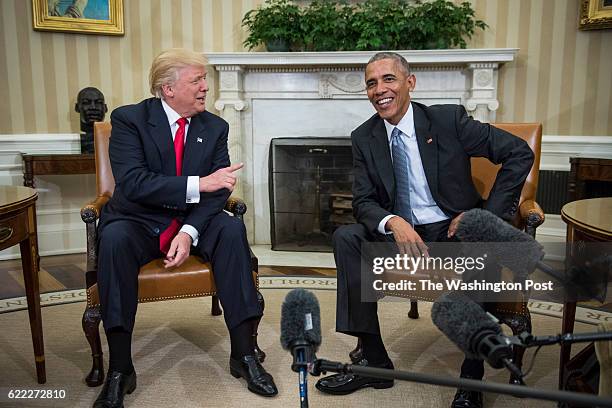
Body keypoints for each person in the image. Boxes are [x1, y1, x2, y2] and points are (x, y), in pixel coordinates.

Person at [314, 52, 534, 408]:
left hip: (452, 229)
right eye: (371, 83)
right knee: (347, 237)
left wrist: (487, 217)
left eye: (389, 79)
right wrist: (394, 222)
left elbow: (519, 153)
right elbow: (363, 201)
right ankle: (374, 362)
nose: (379, 90)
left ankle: (471, 376)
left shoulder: (449, 120)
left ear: (409, 83)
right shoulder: (364, 136)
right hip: (403, 236)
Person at [93, 48, 277, 408]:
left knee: (231, 230)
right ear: (167, 89)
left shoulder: (215, 126)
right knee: (112, 238)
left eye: (204, 79)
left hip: (191, 220)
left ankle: (244, 355)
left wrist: (189, 231)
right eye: (196, 80)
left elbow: (219, 189)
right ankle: (120, 369)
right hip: (137, 219)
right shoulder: (130, 119)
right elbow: (133, 183)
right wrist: (199, 183)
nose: (205, 88)